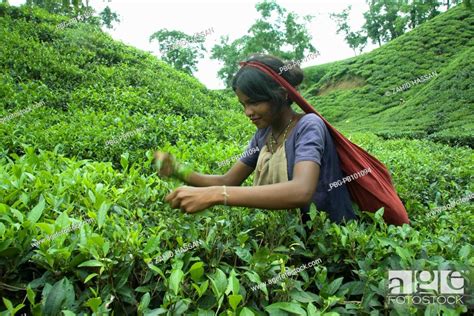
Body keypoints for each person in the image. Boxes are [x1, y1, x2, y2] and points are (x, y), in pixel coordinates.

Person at [154, 54, 357, 224]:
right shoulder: (263, 135)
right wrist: (179, 170)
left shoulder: (308, 126)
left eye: (254, 102)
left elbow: (301, 190)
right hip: (295, 241)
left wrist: (216, 195)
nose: (248, 112)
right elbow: (228, 180)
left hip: (331, 238)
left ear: (282, 94)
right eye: (243, 105)